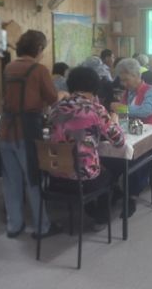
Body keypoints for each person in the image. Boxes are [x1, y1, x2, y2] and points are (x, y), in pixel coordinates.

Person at [0, 30, 62, 239]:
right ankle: (42, 226)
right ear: (39, 48)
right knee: (34, 179)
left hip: (4, 129)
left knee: (11, 181)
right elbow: (52, 98)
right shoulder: (39, 69)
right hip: (26, 129)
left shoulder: (9, 67)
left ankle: (14, 225)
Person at [48, 66, 125, 229]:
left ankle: (89, 208)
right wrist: (114, 120)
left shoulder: (56, 108)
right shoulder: (95, 109)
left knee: (96, 167)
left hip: (55, 177)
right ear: (95, 87)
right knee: (110, 171)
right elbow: (119, 141)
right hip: (84, 179)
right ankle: (100, 217)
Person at [111, 58, 152, 216]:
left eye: (126, 79)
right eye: (122, 80)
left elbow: (146, 111)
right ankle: (117, 188)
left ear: (135, 75)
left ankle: (131, 196)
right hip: (132, 133)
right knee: (114, 157)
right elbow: (123, 116)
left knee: (137, 159)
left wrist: (122, 108)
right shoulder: (128, 93)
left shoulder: (150, 91)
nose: (123, 83)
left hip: (150, 136)